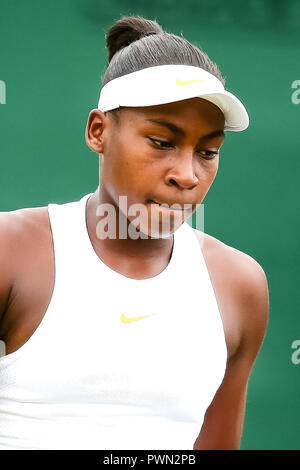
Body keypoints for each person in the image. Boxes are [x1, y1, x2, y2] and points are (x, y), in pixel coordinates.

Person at [0, 15, 269, 450]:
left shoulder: (240, 285)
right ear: (98, 132)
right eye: (162, 142)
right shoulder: (8, 251)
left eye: (208, 151)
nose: (187, 175)